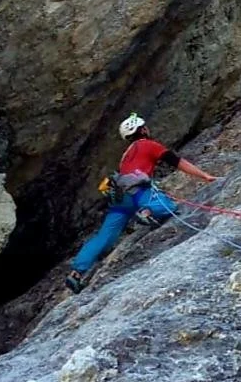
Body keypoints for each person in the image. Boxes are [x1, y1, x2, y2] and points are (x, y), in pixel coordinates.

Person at [65, 113, 217, 293]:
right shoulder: (149, 145)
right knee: (168, 206)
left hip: (119, 198)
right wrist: (205, 176)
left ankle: (76, 273)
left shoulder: (126, 154)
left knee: (104, 237)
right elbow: (177, 162)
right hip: (138, 192)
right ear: (142, 130)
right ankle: (146, 213)